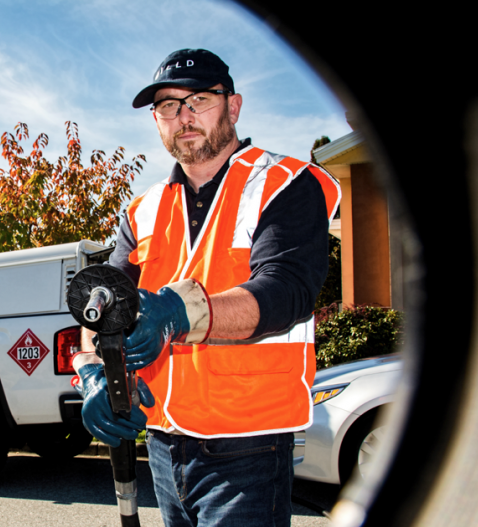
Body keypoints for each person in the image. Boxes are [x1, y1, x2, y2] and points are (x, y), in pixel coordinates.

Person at [72, 49, 341, 526]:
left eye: (198, 99)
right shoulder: (143, 210)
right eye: (168, 107)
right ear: (157, 121)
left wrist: (178, 312)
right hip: (161, 444)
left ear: (233, 107)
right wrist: (94, 371)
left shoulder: (283, 184)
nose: (184, 116)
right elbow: (102, 304)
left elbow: (286, 290)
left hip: (249, 448)